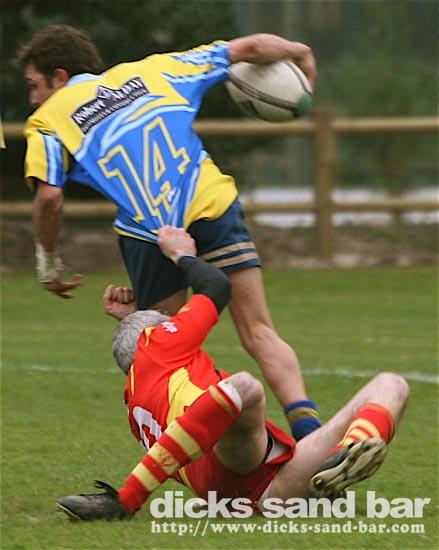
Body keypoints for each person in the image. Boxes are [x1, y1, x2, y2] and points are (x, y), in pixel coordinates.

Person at [17, 25, 320, 439]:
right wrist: (299, 51)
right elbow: (250, 47)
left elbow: (49, 197)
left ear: (58, 76)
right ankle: (311, 433)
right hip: (210, 204)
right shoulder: (156, 69)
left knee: (167, 350)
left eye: (34, 85)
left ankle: (204, 447)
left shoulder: (47, 120)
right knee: (258, 330)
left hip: (147, 229)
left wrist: (47, 263)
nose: (33, 98)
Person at [57, 226, 409, 521]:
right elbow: (217, 288)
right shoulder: (158, 343)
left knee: (391, 384)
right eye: (167, 321)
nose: (176, 319)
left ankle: (342, 458)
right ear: (155, 334)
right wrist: (182, 254)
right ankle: (127, 499)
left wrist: (133, 319)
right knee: (244, 387)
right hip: (231, 463)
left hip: (262, 490)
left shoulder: (135, 398)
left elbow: (139, 349)